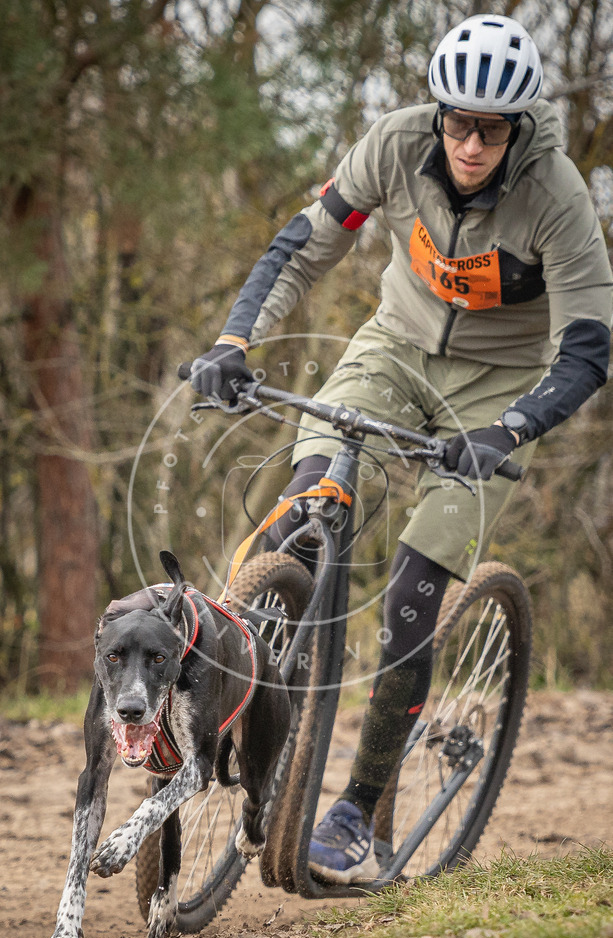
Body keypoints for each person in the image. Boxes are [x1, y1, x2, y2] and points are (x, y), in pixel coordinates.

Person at [187, 14, 612, 884]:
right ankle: (247, 689)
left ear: (518, 126)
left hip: (494, 392)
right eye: (455, 120)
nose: (467, 142)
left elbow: (586, 347)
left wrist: (511, 430)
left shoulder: (559, 196)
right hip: (391, 348)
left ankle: (354, 809)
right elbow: (301, 246)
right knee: (306, 502)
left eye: (489, 128)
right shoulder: (394, 144)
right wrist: (234, 343)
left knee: (415, 593)